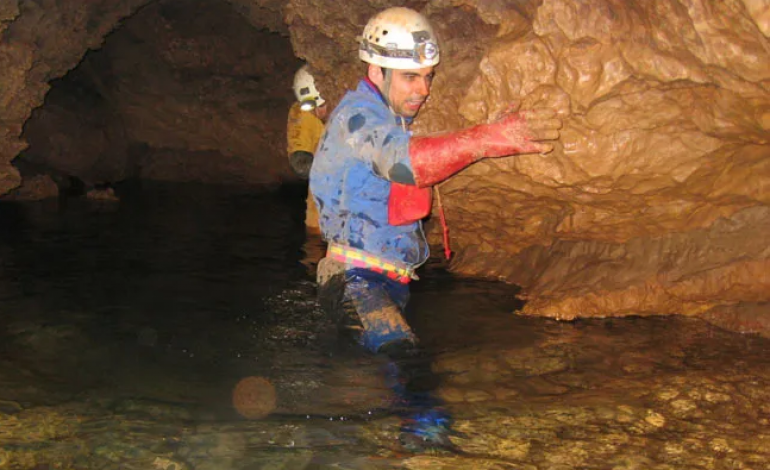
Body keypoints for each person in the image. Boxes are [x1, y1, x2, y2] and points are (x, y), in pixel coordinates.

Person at [310, 7, 561, 356]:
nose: (423, 90)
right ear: (375, 71)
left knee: (386, 389)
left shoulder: (388, 119)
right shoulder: (357, 118)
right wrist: (488, 138)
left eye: (428, 77)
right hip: (357, 282)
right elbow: (404, 164)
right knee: (409, 376)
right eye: (410, 78)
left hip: (381, 281)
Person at [287, 64, 329, 232]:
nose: (317, 112)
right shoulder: (302, 112)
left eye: (321, 105)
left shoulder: (351, 109)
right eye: (312, 107)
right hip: (320, 209)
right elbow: (299, 162)